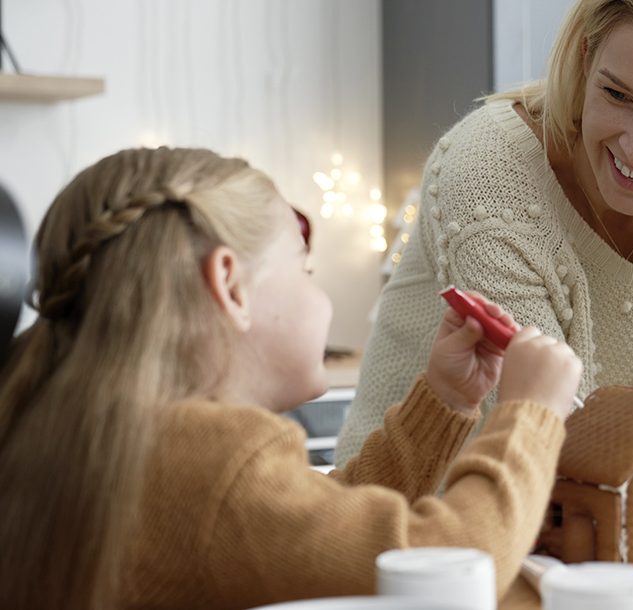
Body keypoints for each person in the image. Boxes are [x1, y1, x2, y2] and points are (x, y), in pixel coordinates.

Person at [0, 147, 582, 609]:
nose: (318, 293)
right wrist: (529, 416)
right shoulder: (209, 459)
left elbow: (313, 535)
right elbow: (452, 566)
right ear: (230, 286)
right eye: (304, 269)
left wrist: (445, 401)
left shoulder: (78, 422)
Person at [336, 0, 633, 465]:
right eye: (617, 95)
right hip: (417, 523)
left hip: (608, 529)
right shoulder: (490, 175)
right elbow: (554, 441)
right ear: (584, 55)